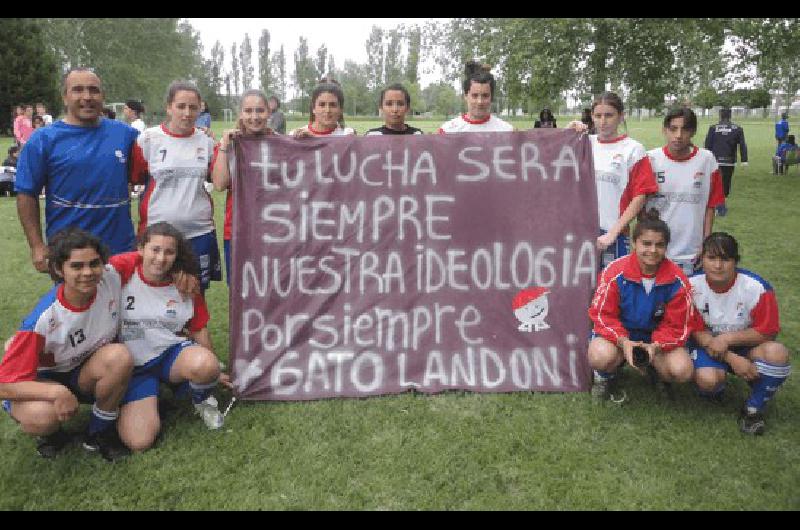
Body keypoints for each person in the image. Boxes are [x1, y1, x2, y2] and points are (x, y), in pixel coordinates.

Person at [0, 228, 134, 460]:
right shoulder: (42, 321)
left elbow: (152, 258)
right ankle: (52, 434)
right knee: (42, 417)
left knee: (119, 356)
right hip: (42, 382)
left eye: (94, 263)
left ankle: (100, 431)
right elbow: (3, 385)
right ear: (58, 269)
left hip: (80, 371)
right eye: (76, 266)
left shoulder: (110, 275)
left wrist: (184, 272)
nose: (88, 272)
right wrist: (55, 391)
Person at [112, 222, 226, 451]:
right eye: (155, 249)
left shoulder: (185, 284)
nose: (161, 258)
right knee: (139, 442)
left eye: (169, 252)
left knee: (204, 364)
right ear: (141, 249)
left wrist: (214, 371)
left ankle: (200, 399)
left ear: (177, 255)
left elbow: (198, 328)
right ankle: (136, 399)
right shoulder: (121, 272)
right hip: (132, 367)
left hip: (168, 355)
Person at [15, 67, 141, 272]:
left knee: (118, 304)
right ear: (65, 97)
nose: (87, 97)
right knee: (76, 304)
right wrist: (37, 246)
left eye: (93, 90)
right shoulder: (43, 140)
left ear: (103, 96)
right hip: (68, 252)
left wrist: (199, 136)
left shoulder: (126, 135)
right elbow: (26, 194)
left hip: (120, 250)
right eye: (78, 90)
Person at [688, 232, 791, 435]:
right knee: (708, 381)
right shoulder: (690, 286)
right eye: (712, 258)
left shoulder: (757, 288)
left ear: (736, 261)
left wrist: (727, 339)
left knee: (777, 353)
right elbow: (696, 332)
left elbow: (768, 332)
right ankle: (717, 388)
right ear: (702, 259)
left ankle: (753, 408)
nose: (718, 266)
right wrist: (731, 358)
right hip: (706, 346)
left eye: (725, 259)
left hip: (746, 347)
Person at [588, 210, 695, 401]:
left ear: (666, 247)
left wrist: (655, 347)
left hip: (655, 339)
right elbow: (603, 316)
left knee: (682, 370)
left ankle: (658, 373)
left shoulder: (678, 280)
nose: (652, 251)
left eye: (659, 245)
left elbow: (678, 327)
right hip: (621, 337)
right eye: (646, 243)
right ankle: (606, 377)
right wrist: (624, 342)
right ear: (634, 243)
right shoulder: (614, 272)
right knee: (599, 355)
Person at [130, 80, 221, 292]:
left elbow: (215, 180)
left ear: (200, 108)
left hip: (199, 232)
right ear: (169, 107)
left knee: (195, 293)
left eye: (193, 107)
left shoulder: (206, 142)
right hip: (157, 233)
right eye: (181, 106)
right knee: (155, 291)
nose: (187, 113)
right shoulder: (148, 140)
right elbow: (136, 178)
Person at [569, 92, 658, 270]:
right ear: (591, 117)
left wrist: (613, 233)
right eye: (598, 116)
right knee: (581, 293)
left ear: (621, 116)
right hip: (580, 234)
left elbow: (640, 195)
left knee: (612, 292)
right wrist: (567, 131)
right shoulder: (583, 143)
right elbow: (552, 162)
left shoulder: (633, 149)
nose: (603, 121)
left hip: (613, 235)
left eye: (609, 115)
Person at [645, 107, 725, 277]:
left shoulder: (707, 160)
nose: (679, 135)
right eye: (673, 129)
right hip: (656, 250)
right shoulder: (650, 159)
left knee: (688, 301)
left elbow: (710, 206)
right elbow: (639, 204)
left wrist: (705, 242)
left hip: (692, 252)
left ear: (693, 132)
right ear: (664, 130)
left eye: (685, 129)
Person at [211, 88, 275, 285]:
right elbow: (220, 184)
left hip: (275, 230)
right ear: (240, 113)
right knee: (240, 289)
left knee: (273, 288)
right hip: (239, 230)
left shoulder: (280, 143)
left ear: (269, 113)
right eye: (248, 111)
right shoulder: (229, 145)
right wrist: (224, 146)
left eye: (260, 110)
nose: (254, 117)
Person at [438, 61, 514, 134]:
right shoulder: (447, 131)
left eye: (485, 96)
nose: (480, 102)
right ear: (466, 96)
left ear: (491, 97)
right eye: (474, 95)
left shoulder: (507, 131)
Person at [704, 107, 748, 213]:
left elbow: (707, 145)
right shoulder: (737, 128)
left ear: (720, 115)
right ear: (730, 116)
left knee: (713, 183)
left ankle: (713, 206)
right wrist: (744, 160)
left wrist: (705, 159)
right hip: (729, 161)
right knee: (726, 183)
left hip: (715, 161)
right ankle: (721, 207)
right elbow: (742, 145)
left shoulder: (713, 128)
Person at [290, 80, 356, 137]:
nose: (327, 110)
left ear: (341, 109)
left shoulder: (347, 135)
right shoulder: (296, 136)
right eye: (322, 105)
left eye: (333, 105)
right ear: (313, 108)